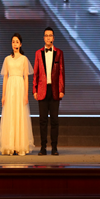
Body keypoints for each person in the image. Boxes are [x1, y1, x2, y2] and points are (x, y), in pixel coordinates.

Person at [0, 33, 35, 156]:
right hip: (10, 88)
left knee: (20, 114)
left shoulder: (24, 59)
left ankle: (19, 145)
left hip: (20, 88)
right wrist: (3, 95)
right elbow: (5, 77)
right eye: (13, 42)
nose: (15, 44)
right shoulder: (7, 59)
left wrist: (26, 95)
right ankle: (10, 145)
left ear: (20, 44)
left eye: (17, 42)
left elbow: (26, 77)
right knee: (10, 115)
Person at [33, 27, 65, 156]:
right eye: (46, 35)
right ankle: (43, 147)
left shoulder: (59, 53)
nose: (48, 37)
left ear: (53, 38)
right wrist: (34, 90)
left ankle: (54, 147)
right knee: (43, 121)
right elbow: (36, 73)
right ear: (43, 38)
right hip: (42, 89)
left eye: (50, 35)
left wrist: (62, 89)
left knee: (54, 120)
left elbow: (61, 72)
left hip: (55, 90)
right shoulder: (38, 53)